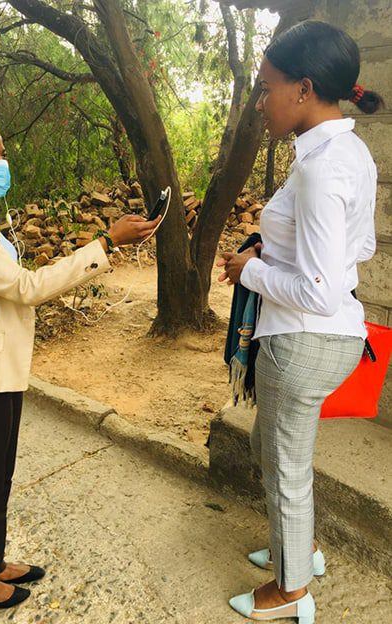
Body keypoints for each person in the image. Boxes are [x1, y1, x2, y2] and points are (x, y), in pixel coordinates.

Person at [0, 116, 161, 610]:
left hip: (0, 366)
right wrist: (106, 244)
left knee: (0, 472)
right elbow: (25, 288)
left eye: (1, 154)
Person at [217, 21, 382, 624]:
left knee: (283, 463)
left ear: (304, 88)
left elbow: (315, 291)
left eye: (266, 88)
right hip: (333, 333)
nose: (260, 102)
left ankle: (288, 591)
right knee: (273, 446)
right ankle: (301, 548)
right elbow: (358, 246)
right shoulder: (347, 152)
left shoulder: (319, 168)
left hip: (303, 339)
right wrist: (280, 257)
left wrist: (249, 269)